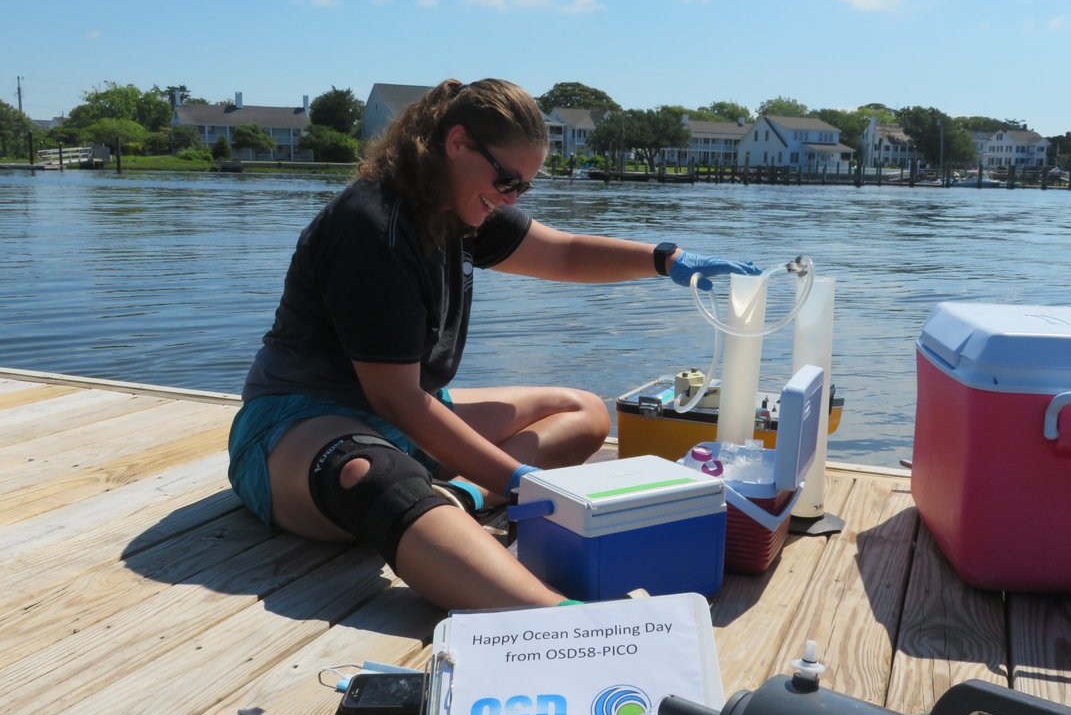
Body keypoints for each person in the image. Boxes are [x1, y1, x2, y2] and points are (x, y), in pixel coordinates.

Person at [226, 78, 758, 611]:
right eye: (506, 180)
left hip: (403, 417)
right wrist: (527, 483)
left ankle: (461, 496)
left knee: (583, 413)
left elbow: (565, 254)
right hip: (298, 426)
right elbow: (396, 399)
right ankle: (563, 620)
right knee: (376, 477)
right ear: (457, 143)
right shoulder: (373, 227)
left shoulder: (463, 210)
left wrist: (667, 260)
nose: (509, 198)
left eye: (523, 188)